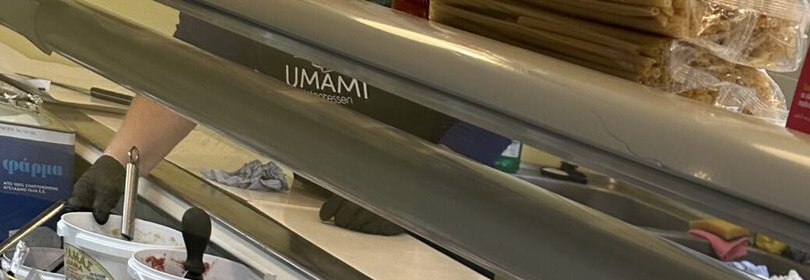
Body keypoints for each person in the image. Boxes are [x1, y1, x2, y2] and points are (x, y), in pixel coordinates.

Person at [69, 12, 509, 235]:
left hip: (434, 227)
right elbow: (197, 63)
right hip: (321, 210)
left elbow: (506, 86)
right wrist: (120, 160)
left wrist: (424, 191)